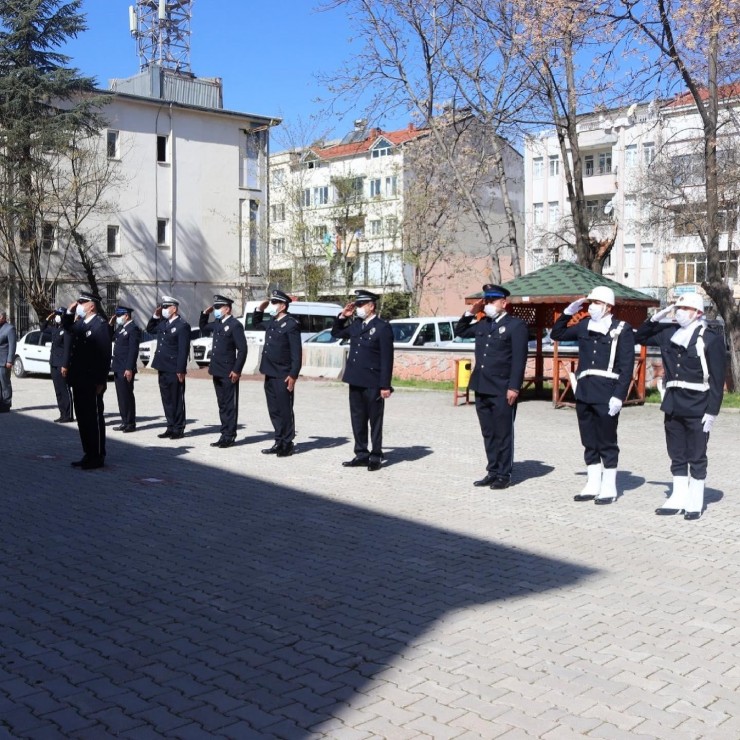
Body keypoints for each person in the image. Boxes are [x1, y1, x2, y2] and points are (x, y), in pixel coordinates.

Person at [635, 294, 726, 520]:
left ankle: (694, 499)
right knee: (676, 453)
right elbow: (641, 336)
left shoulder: (710, 339)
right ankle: (678, 495)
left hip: (698, 405)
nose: (680, 312)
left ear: (698, 313)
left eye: (685, 308)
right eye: (678, 308)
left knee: (696, 454)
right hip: (673, 404)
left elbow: (716, 380)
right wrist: (659, 316)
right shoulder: (669, 333)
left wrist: (712, 411)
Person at [550, 286, 636, 504]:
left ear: (608, 307)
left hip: (607, 392)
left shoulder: (621, 329)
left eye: (596, 303)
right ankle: (592, 483)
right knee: (588, 439)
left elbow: (626, 367)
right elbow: (556, 334)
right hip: (585, 391)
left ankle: (609, 487)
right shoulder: (584, 325)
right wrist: (567, 313)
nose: (592, 307)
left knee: (606, 440)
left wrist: (619, 396)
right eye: (591, 303)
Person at [454, 284, 529, 490]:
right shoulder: (483, 323)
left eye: (491, 301)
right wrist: (472, 311)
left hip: (502, 387)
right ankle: (493, 470)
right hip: (482, 385)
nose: (487, 304)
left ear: (503, 303)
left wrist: (514, 387)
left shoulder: (516, 326)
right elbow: (459, 330)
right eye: (485, 301)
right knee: (488, 432)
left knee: (503, 432)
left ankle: (504, 473)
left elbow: (519, 360)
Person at [331, 289, 394, 471]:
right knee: (357, 418)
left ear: (371, 306)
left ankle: (375, 454)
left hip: (373, 381)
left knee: (374, 420)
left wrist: (385, 385)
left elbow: (386, 359)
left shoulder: (382, 327)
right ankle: (361, 453)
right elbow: (336, 333)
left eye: (361, 304)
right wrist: (343, 316)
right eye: (357, 304)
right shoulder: (356, 325)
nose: (358, 307)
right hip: (355, 379)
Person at [62, 291, 113, 469]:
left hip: (92, 380)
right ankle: (88, 453)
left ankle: (98, 455)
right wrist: (69, 312)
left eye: (82, 303)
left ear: (92, 305)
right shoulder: (82, 323)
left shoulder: (101, 326)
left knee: (94, 418)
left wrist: (101, 381)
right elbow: (67, 327)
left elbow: (105, 356)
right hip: (79, 378)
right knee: (83, 418)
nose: (79, 305)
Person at [252, 290, 302, 457]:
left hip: (283, 374)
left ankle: (287, 443)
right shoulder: (273, 321)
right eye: (271, 302)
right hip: (270, 372)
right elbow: (257, 323)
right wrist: (260, 308)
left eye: (274, 303)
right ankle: (278, 440)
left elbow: (296, 353)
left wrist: (293, 375)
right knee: (274, 410)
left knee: (285, 410)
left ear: (283, 305)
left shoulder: (291, 324)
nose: (272, 306)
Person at [199, 295, 247, 448]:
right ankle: (223, 433)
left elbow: (243, 349)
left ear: (227, 308)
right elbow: (203, 327)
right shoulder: (218, 324)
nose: (216, 311)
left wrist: (237, 370)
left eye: (218, 308)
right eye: (216, 307)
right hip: (217, 370)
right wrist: (205, 313)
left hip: (229, 371)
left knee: (229, 405)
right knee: (222, 405)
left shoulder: (235, 325)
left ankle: (230, 436)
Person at [147, 295, 191, 439]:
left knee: (176, 398)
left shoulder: (182, 325)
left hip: (174, 368)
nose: (164, 309)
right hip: (162, 366)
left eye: (166, 307)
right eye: (163, 307)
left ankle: (179, 428)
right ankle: (170, 425)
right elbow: (150, 329)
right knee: (166, 398)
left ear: (174, 308)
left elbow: (183, 350)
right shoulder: (163, 323)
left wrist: (181, 369)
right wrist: (155, 315)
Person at [110, 305, 141, 433]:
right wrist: (110, 324)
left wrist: (129, 368)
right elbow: (111, 336)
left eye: (119, 316)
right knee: (121, 396)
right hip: (118, 366)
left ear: (126, 315)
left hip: (125, 368)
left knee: (127, 395)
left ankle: (130, 423)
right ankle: (124, 421)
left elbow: (133, 350)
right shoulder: (121, 328)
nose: (117, 318)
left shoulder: (133, 329)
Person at [43, 308, 74, 423]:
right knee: (58, 390)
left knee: (65, 389)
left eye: (59, 314)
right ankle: (62, 413)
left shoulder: (67, 330)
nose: (57, 316)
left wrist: (65, 365)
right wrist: (48, 318)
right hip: (54, 363)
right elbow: (43, 328)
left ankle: (68, 414)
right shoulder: (55, 329)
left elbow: (67, 350)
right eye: (56, 314)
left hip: (62, 364)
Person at [0, 309, 17, 413]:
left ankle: (6, 403)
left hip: (4, 361)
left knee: (5, 383)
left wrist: (10, 360)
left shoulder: (10, 329)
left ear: (3, 317)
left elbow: (12, 346)